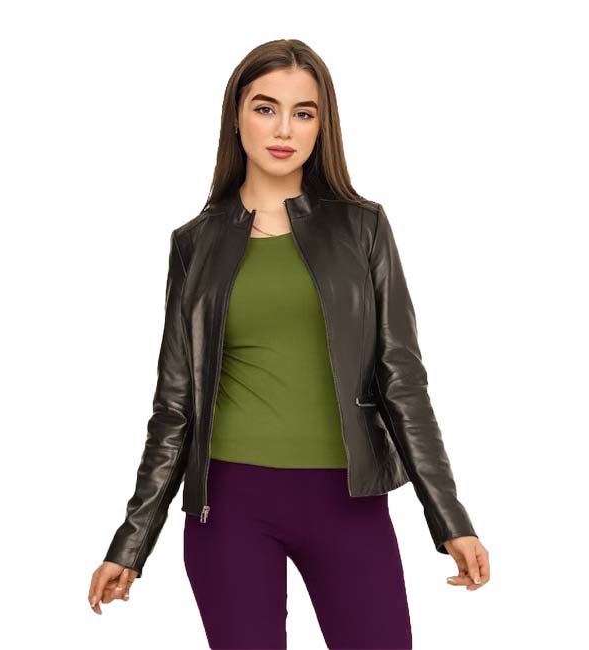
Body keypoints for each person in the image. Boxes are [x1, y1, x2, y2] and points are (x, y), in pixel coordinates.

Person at [88, 38, 490, 649]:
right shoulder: (194, 244)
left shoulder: (363, 227)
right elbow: (174, 405)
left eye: (303, 112)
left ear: (322, 126)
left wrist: (449, 518)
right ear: (237, 117)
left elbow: (402, 380)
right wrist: (131, 542)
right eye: (265, 108)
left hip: (347, 501)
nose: (283, 129)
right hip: (229, 505)